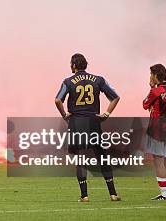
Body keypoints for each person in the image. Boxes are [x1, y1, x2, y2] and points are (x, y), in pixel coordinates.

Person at [55, 53, 122, 202]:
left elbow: (58, 100)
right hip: (93, 121)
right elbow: (115, 97)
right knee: (102, 157)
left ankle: (84, 196)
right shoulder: (98, 80)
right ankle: (113, 194)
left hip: (76, 122)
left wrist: (65, 115)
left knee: (80, 158)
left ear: (73, 65)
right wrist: (107, 113)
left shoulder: (68, 81)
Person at [143, 64, 166, 200]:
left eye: (151, 74)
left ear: (156, 75)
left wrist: (152, 88)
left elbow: (145, 104)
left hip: (157, 130)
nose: (150, 76)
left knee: (158, 161)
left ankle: (164, 194)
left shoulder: (155, 91)